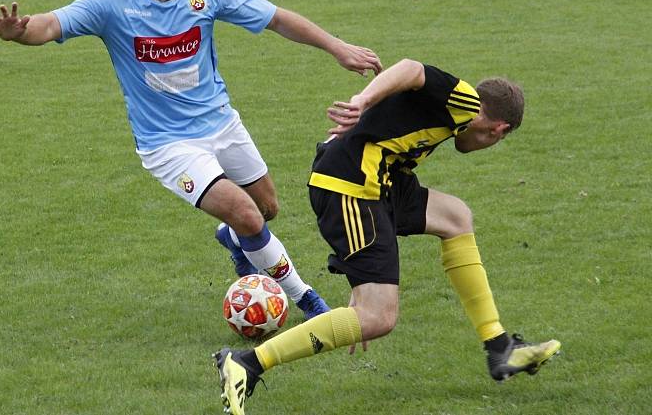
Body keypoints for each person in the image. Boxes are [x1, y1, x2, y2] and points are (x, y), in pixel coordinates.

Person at [0, 0, 382, 321]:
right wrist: (21, 33)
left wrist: (337, 46)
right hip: (167, 144)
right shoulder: (112, 2)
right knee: (246, 213)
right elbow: (51, 24)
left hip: (221, 123)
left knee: (265, 209)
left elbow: (276, 18)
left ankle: (234, 240)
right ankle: (308, 302)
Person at [214, 58, 562, 415]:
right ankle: (247, 363)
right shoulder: (467, 102)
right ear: (498, 129)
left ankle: (499, 346)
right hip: (351, 187)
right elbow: (412, 69)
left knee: (456, 217)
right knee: (377, 317)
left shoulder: (451, 114)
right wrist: (361, 101)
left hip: (382, 182)